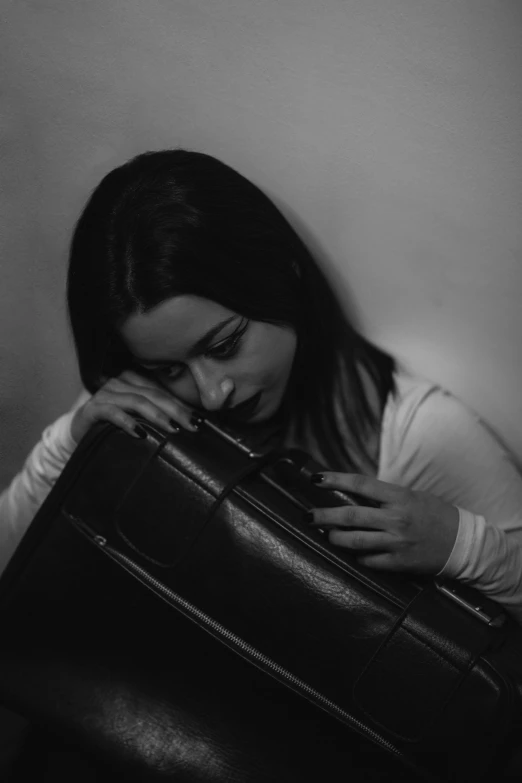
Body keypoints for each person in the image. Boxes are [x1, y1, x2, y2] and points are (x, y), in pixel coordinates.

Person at [1, 148, 522, 628]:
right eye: (169, 369)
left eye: (224, 345)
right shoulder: (138, 405)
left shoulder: (424, 435)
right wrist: (67, 446)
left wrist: (465, 546)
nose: (210, 393)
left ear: (283, 275)